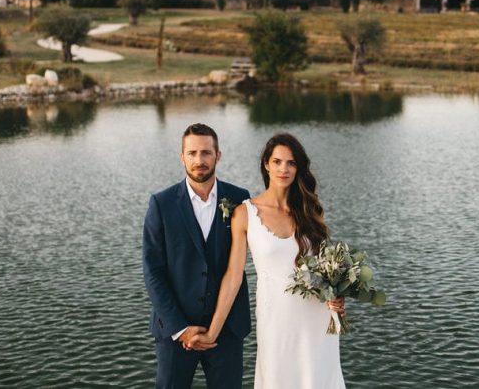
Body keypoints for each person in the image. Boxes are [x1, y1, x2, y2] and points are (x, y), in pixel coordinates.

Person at [191, 132, 346, 388]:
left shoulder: (309, 211)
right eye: (277, 161)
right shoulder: (245, 213)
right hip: (276, 318)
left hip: (317, 317)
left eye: (291, 163)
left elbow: (325, 270)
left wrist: (337, 297)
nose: (283, 169)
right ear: (266, 164)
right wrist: (212, 331)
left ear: (298, 168)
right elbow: (233, 277)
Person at [142, 123, 251, 388]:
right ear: (182, 157)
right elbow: (153, 271)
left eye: (206, 152)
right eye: (191, 153)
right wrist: (181, 328)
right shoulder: (162, 203)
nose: (199, 160)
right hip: (175, 329)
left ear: (218, 155)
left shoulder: (239, 199)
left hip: (227, 329)